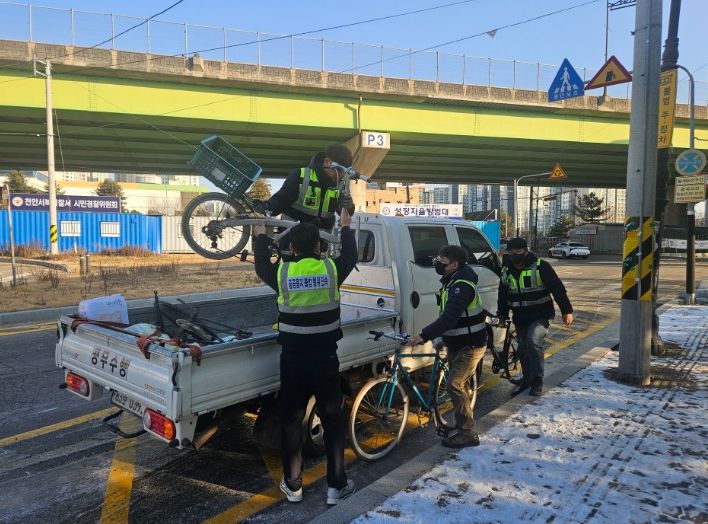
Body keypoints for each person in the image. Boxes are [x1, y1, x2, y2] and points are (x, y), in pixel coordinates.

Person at [253, 209, 357, 505]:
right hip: (325, 359)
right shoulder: (331, 270)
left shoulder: (283, 273)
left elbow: (261, 264)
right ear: (319, 246)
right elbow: (350, 255)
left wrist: (260, 237)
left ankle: (293, 485)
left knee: (291, 422)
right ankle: (336, 486)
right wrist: (345, 227)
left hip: (293, 361)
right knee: (333, 421)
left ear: (292, 248)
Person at [406, 245, 487, 449]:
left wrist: (424, 336)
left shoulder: (461, 286)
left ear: (454, 264)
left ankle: (468, 433)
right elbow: (448, 316)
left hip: (470, 345)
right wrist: (441, 336)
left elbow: (449, 317)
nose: (437, 264)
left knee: (454, 385)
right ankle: (461, 423)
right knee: (459, 385)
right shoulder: (451, 281)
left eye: (442, 261)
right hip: (456, 342)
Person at [497, 237, 573, 397]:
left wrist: (566, 311)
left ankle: (537, 381)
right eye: (511, 252)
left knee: (533, 341)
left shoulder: (540, 266)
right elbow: (503, 294)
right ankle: (527, 379)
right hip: (520, 316)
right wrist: (502, 314)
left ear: (526, 251)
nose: (514, 254)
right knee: (523, 349)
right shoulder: (506, 270)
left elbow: (557, 289)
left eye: (518, 251)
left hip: (541, 315)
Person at [253, 143, 356, 232]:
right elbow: (282, 199)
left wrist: (349, 206)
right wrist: (267, 206)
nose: (340, 176)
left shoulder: (340, 184)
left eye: (344, 173)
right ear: (327, 162)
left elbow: (344, 214)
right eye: (339, 171)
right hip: (292, 236)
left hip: (321, 239)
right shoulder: (301, 175)